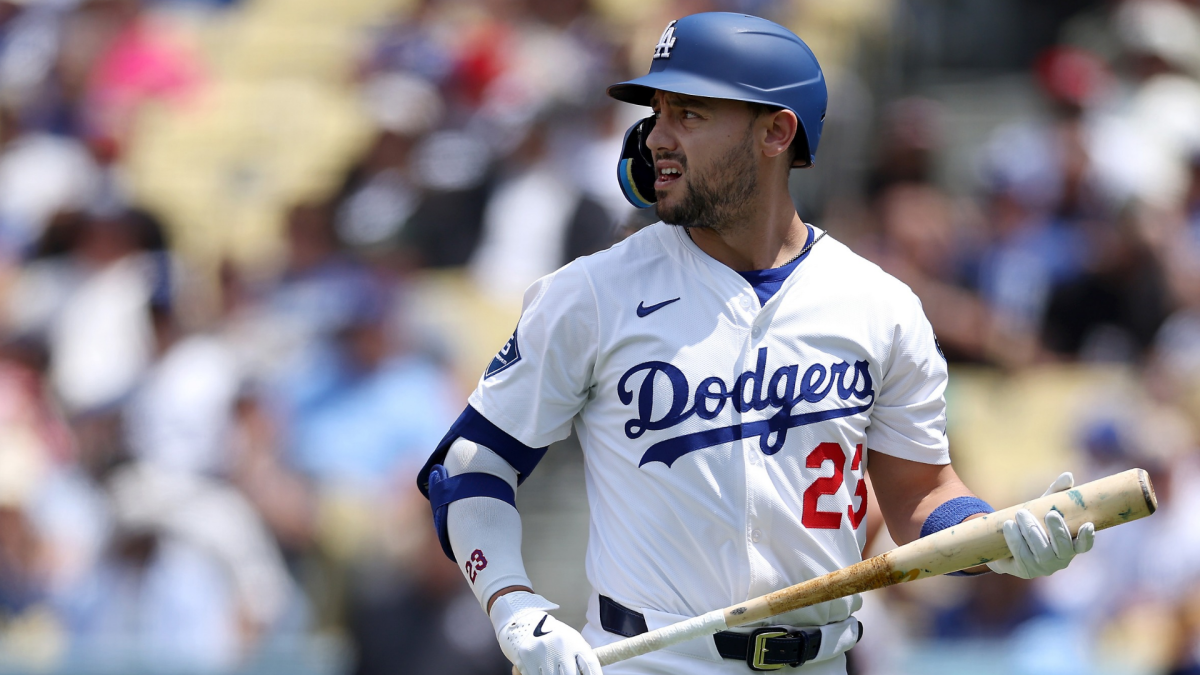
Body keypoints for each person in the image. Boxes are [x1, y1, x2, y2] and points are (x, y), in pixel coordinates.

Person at [417, 12, 1096, 675]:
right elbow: (469, 466)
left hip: (824, 660)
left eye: (690, 114)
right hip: (649, 662)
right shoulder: (591, 292)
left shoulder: (881, 306)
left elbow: (919, 493)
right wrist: (513, 605)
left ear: (776, 132)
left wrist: (995, 537)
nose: (657, 138)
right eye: (658, 112)